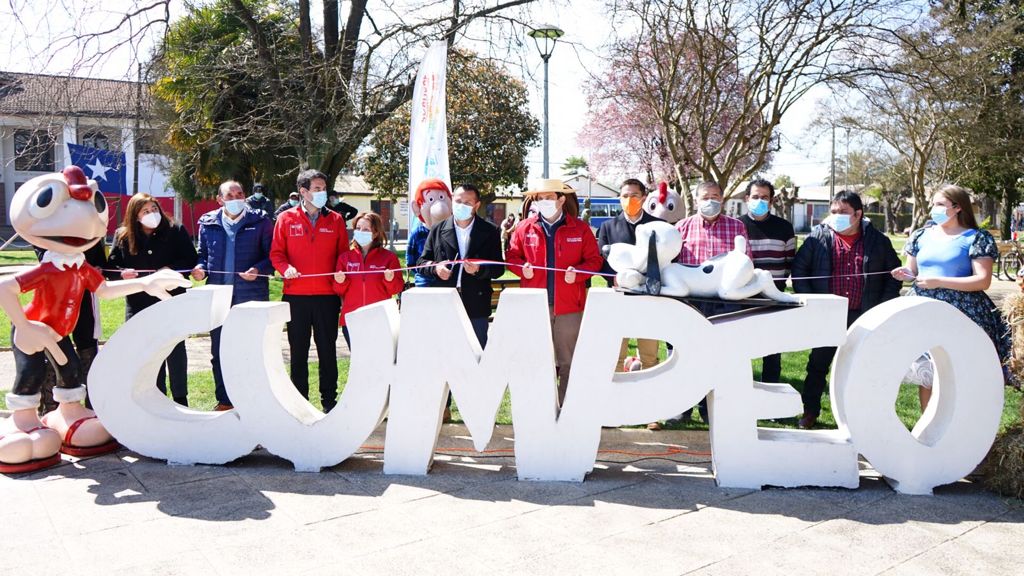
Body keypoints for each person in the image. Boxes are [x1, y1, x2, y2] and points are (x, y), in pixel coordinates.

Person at [891, 185, 1012, 409]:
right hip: (923, 310)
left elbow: (982, 280)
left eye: (940, 204)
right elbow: (913, 270)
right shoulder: (921, 235)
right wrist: (904, 273)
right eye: (933, 204)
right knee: (928, 372)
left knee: (957, 371)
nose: (933, 209)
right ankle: (929, 425)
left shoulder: (976, 238)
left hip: (962, 313)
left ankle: (964, 422)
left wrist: (939, 281)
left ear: (957, 207)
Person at [792, 190, 902, 428]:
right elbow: (800, 271)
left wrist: (881, 308)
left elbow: (893, 276)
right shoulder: (817, 237)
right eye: (833, 211)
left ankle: (860, 417)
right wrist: (813, 303)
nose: (836, 216)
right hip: (828, 314)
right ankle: (810, 411)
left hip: (864, 315)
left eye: (843, 212)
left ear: (858, 214)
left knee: (862, 367)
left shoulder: (878, 241)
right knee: (817, 365)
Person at [505, 178, 603, 406]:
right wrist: (521, 268)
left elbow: (595, 260)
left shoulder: (580, 228)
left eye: (549, 198)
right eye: (540, 199)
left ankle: (566, 406)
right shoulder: (524, 227)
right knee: (538, 359)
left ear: (561, 200)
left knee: (569, 360)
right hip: (535, 305)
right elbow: (512, 256)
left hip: (569, 307)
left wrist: (578, 273)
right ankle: (541, 407)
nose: (544, 202)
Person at [108, 193, 198, 406]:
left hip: (171, 301)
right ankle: (155, 397)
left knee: (175, 350)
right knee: (147, 352)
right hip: (139, 304)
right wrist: (122, 273)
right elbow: (111, 267)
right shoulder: (123, 235)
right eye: (146, 211)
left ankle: (180, 398)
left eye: (154, 209)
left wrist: (171, 269)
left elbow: (190, 258)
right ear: (135, 215)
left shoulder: (175, 230)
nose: (152, 214)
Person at [270, 169, 349, 412]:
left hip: (327, 298)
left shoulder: (336, 220)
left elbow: (344, 256)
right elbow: (276, 254)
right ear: (303, 192)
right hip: (296, 297)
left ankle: (329, 402)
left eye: (324, 188)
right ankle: (300, 403)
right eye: (317, 189)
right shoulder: (285, 219)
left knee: (327, 351)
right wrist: (286, 268)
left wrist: (340, 273)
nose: (322, 193)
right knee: (298, 352)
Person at [673, 180, 751, 424]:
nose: (710, 201)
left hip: (723, 302)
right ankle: (682, 406)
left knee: (719, 356)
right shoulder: (682, 227)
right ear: (696, 200)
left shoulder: (737, 227)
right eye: (705, 197)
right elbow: (671, 264)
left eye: (715, 196)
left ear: (723, 199)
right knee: (687, 354)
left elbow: (746, 262)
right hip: (690, 302)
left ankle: (711, 408)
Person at [192, 180, 274, 411]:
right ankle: (225, 401)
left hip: (251, 297)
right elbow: (203, 255)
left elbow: (272, 257)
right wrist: (200, 269)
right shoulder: (208, 223)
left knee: (251, 351)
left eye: (240, 194)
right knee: (219, 352)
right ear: (220, 200)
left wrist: (258, 269)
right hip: (218, 299)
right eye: (230, 195)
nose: (236, 198)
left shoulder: (260, 221)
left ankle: (253, 402)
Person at [417, 183, 505, 347]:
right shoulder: (437, 229)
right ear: (452, 201)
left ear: (476, 205)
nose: (461, 205)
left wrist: (479, 270)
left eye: (467, 202)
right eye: (458, 201)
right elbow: (421, 263)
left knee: (477, 349)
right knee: (445, 349)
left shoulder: (490, 231)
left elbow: (499, 268)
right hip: (445, 301)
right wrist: (435, 268)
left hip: (476, 303)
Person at [33, 241, 107, 413]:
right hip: (54, 293)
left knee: (88, 347)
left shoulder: (89, 233)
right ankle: (50, 407)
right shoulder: (47, 232)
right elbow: (43, 254)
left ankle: (92, 407)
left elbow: (99, 258)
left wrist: (98, 268)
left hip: (84, 291)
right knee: (54, 348)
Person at [597, 178, 663, 371]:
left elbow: (667, 258)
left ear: (644, 197)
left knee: (649, 356)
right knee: (616, 354)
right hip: (619, 297)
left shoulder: (658, 225)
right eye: (625, 196)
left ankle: (650, 388)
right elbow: (602, 261)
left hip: (649, 297)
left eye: (634, 195)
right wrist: (616, 279)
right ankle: (617, 387)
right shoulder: (608, 227)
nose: (629, 199)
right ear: (619, 198)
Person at [739, 178, 796, 384]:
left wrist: (777, 287)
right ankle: (741, 388)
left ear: (771, 201)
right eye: (755, 197)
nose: (760, 201)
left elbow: (790, 261)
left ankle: (771, 389)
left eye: (764, 197)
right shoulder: (737, 226)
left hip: (774, 296)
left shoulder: (784, 227)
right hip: (743, 296)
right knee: (740, 347)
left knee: (772, 349)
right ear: (747, 199)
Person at [333, 212, 404, 348]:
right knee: (358, 359)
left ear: (376, 233)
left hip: (380, 319)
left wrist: (389, 280)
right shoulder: (345, 258)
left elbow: (396, 289)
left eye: (366, 229)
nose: (361, 232)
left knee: (380, 358)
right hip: (352, 319)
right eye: (358, 228)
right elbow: (338, 290)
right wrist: (340, 282)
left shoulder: (389, 258)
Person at [406, 178, 452, 287]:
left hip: (448, 282)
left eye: (442, 197)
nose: (439, 205)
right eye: (431, 199)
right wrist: (429, 270)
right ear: (417, 208)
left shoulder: (452, 231)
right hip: (425, 283)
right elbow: (411, 263)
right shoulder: (418, 234)